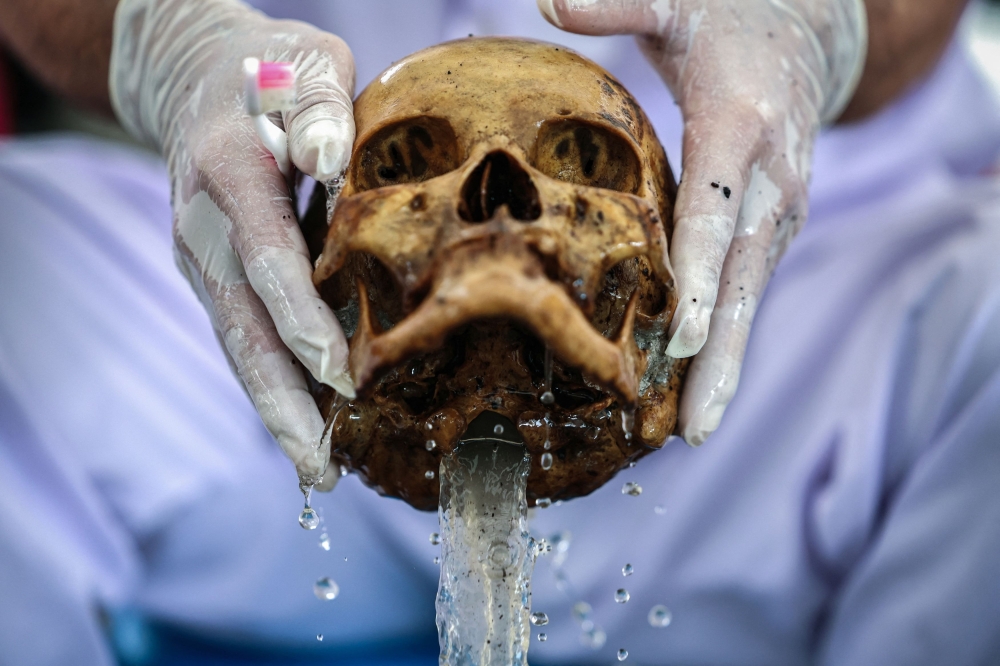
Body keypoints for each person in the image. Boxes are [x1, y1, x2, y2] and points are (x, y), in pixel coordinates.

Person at [1, 0, 999, 664]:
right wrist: (161, 41)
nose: (498, 215)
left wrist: (817, 23)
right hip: (287, 318)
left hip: (771, 306)